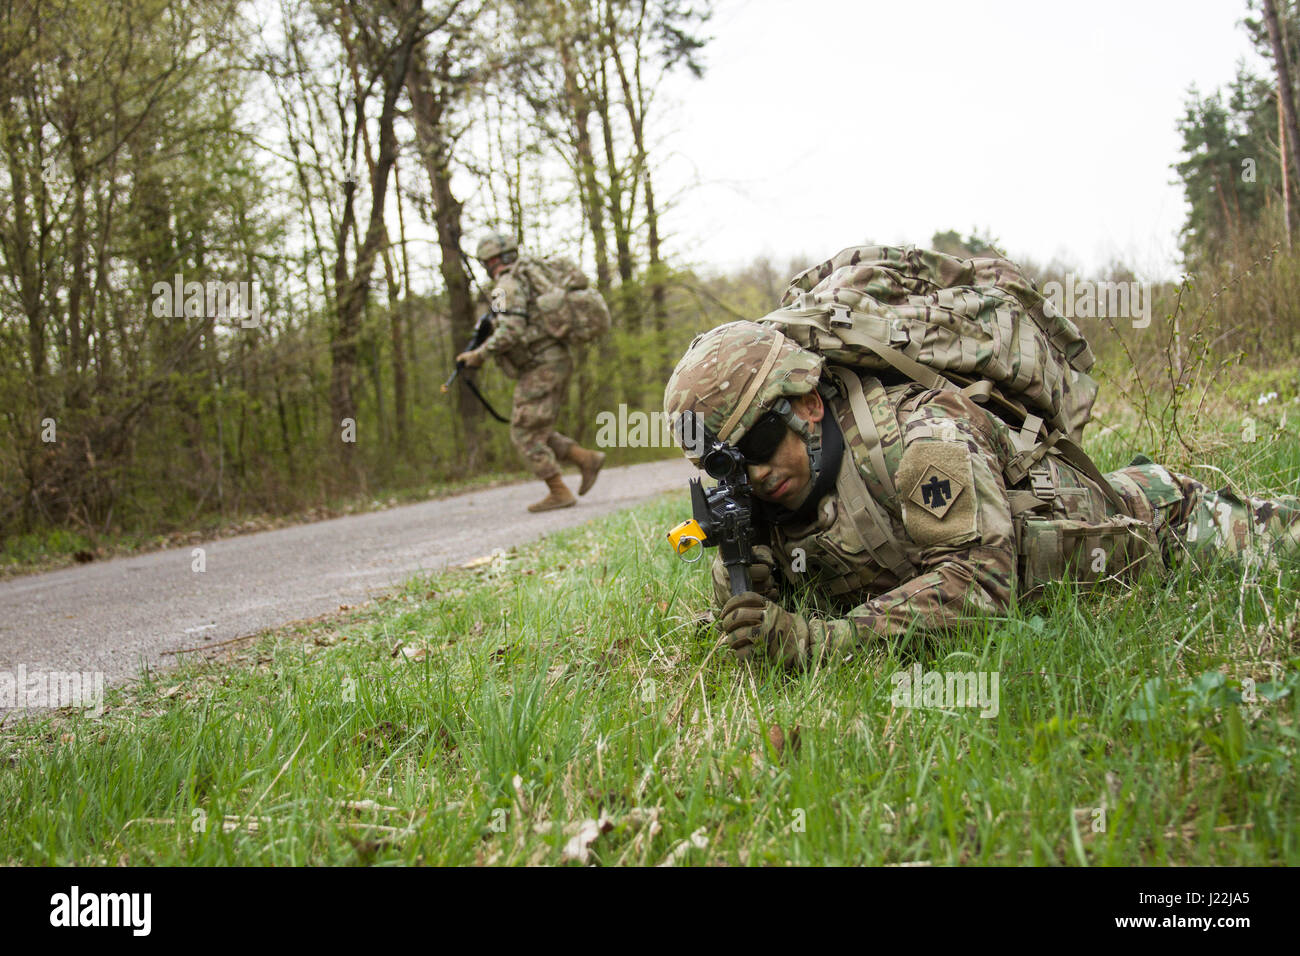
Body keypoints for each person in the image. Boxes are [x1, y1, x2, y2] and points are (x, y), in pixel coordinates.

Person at [663, 320, 1300, 669]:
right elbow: (769, 604)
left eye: (758, 444)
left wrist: (819, 642)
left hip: (1160, 525)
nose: (748, 474)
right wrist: (746, 588)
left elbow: (984, 582)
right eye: (725, 465)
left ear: (806, 403)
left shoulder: (918, 437)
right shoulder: (769, 491)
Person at [456, 232, 605, 512]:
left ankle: (559, 490)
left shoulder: (506, 285)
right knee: (535, 427)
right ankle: (586, 459)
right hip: (552, 359)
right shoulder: (526, 277)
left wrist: (479, 355)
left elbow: (511, 330)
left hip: (542, 363)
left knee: (524, 431)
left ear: (492, 261)